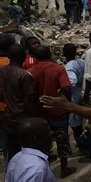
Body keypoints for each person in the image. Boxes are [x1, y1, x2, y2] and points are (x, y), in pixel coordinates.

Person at [27, 45, 76, 178]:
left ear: (35, 57)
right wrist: (67, 104)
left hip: (40, 113)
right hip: (58, 111)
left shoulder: (30, 71)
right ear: (50, 54)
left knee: (42, 141)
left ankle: (44, 169)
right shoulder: (58, 69)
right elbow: (66, 87)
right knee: (62, 139)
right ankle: (64, 169)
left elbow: (28, 94)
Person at [0, 44, 37, 161]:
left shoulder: (2, 71)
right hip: (22, 118)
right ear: (23, 57)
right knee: (28, 152)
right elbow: (28, 100)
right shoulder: (23, 75)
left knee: (12, 152)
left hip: (8, 117)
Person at [5, 118, 55, 182]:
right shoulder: (37, 169)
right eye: (47, 132)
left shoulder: (16, 157)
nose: (51, 135)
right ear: (37, 138)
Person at [63, 43, 85, 150]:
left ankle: (82, 147)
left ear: (64, 54)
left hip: (74, 97)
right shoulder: (81, 62)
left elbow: (71, 81)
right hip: (83, 93)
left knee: (76, 125)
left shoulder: (69, 66)